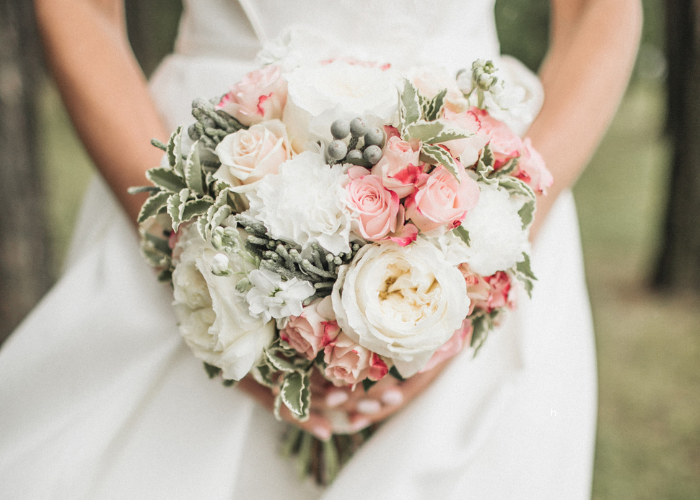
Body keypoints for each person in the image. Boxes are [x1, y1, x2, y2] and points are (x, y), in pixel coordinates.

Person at [0, 0, 641, 498]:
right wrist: (192, 246)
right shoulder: (193, 223)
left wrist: (475, 262)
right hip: (199, 161)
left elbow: (599, 12)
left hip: (473, 182)